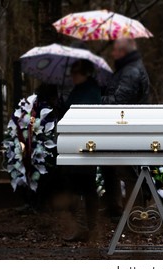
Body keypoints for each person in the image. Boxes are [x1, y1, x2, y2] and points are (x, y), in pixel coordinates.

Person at [101, 38, 150, 218]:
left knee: (125, 169)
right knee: (110, 166)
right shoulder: (127, 68)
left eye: (115, 50)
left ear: (123, 52)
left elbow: (118, 102)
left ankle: (136, 213)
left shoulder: (131, 71)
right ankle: (115, 208)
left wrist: (94, 101)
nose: (113, 54)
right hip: (124, 126)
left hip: (127, 127)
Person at [61, 59, 101, 242]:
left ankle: (88, 227)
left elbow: (83, 113)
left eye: (75, 73)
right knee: (78, 184)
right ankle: (83, 227)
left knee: (85, 185)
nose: (72, 76)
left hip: (84, 142)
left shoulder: (91, 90)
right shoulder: (79, 89)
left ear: (84, 73)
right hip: (75, 141)